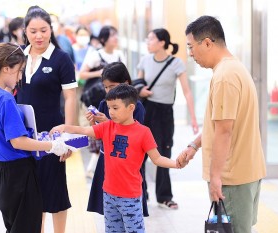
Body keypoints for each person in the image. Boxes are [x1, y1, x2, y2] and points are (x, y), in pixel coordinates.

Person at [50, 84, 183, 233]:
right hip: (109, 195)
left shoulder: (144, 132)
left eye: (115, 108)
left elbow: (157, 159)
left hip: (130, 197)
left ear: (131, 107)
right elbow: (84, 130)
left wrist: (176, 163)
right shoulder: (107, 126)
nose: (110, 112)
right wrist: (64, 127)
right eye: (109, 107)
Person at [179, 15, 266, 233]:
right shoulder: (234, 68)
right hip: (244, 172)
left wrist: (216, 177)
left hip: (232, 177)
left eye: (191, 47)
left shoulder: (225, 77)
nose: (190, 54)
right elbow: (221, 124)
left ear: (207, 42)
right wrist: (195, 145)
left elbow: (224, 132)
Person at [0, 42, 74, 233]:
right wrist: (51, 145)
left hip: (4, 175)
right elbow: (17, 141)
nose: (21, 76)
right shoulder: (5, 99)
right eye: (19, 71)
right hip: (20, 174)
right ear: (6, 68)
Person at [15, 6, 77, 233]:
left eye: (43, 30)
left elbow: (70, 97)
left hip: (52, 135)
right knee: (31, 193)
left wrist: (67, 137)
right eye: (33, 31)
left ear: (51, 30)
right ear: (25, 31)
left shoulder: (61, 59)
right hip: (22, 137)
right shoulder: (18, 56)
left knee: (55, 190)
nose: (39, 36)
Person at [136, 28, 199, 209]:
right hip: (146, 110)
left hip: (164, 114)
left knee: (164, 152)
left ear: (162, 42)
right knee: (139, 154)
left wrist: (193, 118)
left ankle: (164, 196)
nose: (148, 42)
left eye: (151, 39)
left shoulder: (175, 63)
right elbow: (137, 85)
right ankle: (141, 194)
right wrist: (140, 91)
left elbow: (187, 91)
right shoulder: (145, 60)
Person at [86, 62, 150, 217]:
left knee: (130, 214)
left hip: (127, 163)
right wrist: (92, 123)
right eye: (105, 87)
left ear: (125, 83)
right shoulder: (104, 104)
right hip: (107, 160)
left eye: (112, 86)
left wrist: (107, 122)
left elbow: (134, 134)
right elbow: (99, 134)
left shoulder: (136, 107)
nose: (108, 91)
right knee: (109, 211)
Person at [79, 25, 125, 177]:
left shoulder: (119, 55)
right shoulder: (96, 55)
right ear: (104, 39)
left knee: (113, 132)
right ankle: (95, 167)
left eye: (116, 35)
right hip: (98, 99)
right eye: (113, 36)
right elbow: (82, 74)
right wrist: (100, 73)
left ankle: (95, 167)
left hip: (117, 103)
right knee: (99, 133)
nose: (115, 38)